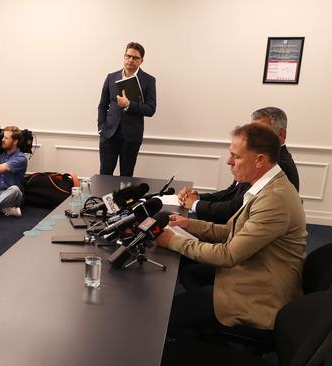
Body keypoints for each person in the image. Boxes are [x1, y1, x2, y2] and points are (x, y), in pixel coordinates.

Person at [155, 123, 307, 339]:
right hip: (254, 272)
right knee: (189, 275)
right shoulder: (267, 185)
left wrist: (172, 241)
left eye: (236, 156)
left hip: (261, 296)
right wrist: (187, 224)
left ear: (260, 160)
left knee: (165, 317)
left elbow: (228, 255)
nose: (229, 161)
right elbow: (231, 230)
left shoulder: (274, 199)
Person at [177, 107, 299, 224]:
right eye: (252, 130)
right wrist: (197, 197)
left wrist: (195, 204)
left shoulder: (277, 165)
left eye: (261, 131)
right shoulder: (253, 158)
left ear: (282, 134)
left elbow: (237, 208)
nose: (253, 136)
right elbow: (231, 193)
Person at [97, 41, 156, 177]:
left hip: (131, 136)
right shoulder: (111, 77)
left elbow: (151, 109)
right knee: (105, 175)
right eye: (128, 56)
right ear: (124, 57)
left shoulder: (148, 80)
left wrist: (129, 104)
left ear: (141, 61)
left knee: (126, 177)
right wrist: (101, 128)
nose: (130, 60)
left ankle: (122, 199)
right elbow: (102, 105)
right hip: (109, 134)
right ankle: (103, 199)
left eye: (135, 58)